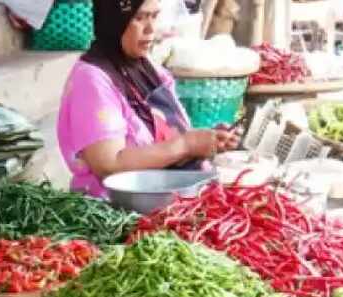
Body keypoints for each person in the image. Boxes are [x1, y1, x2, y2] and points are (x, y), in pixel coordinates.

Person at [55, 0, 234, 198]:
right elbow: (108, 164)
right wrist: (185, 145)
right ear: (113, 19)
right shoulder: (91, 80)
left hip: (168, 197)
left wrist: (206, 140)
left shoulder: (146, 68)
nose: (150, 29)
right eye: (139, 18)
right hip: (121, 207)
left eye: (154, 16)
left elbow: (167, 135)